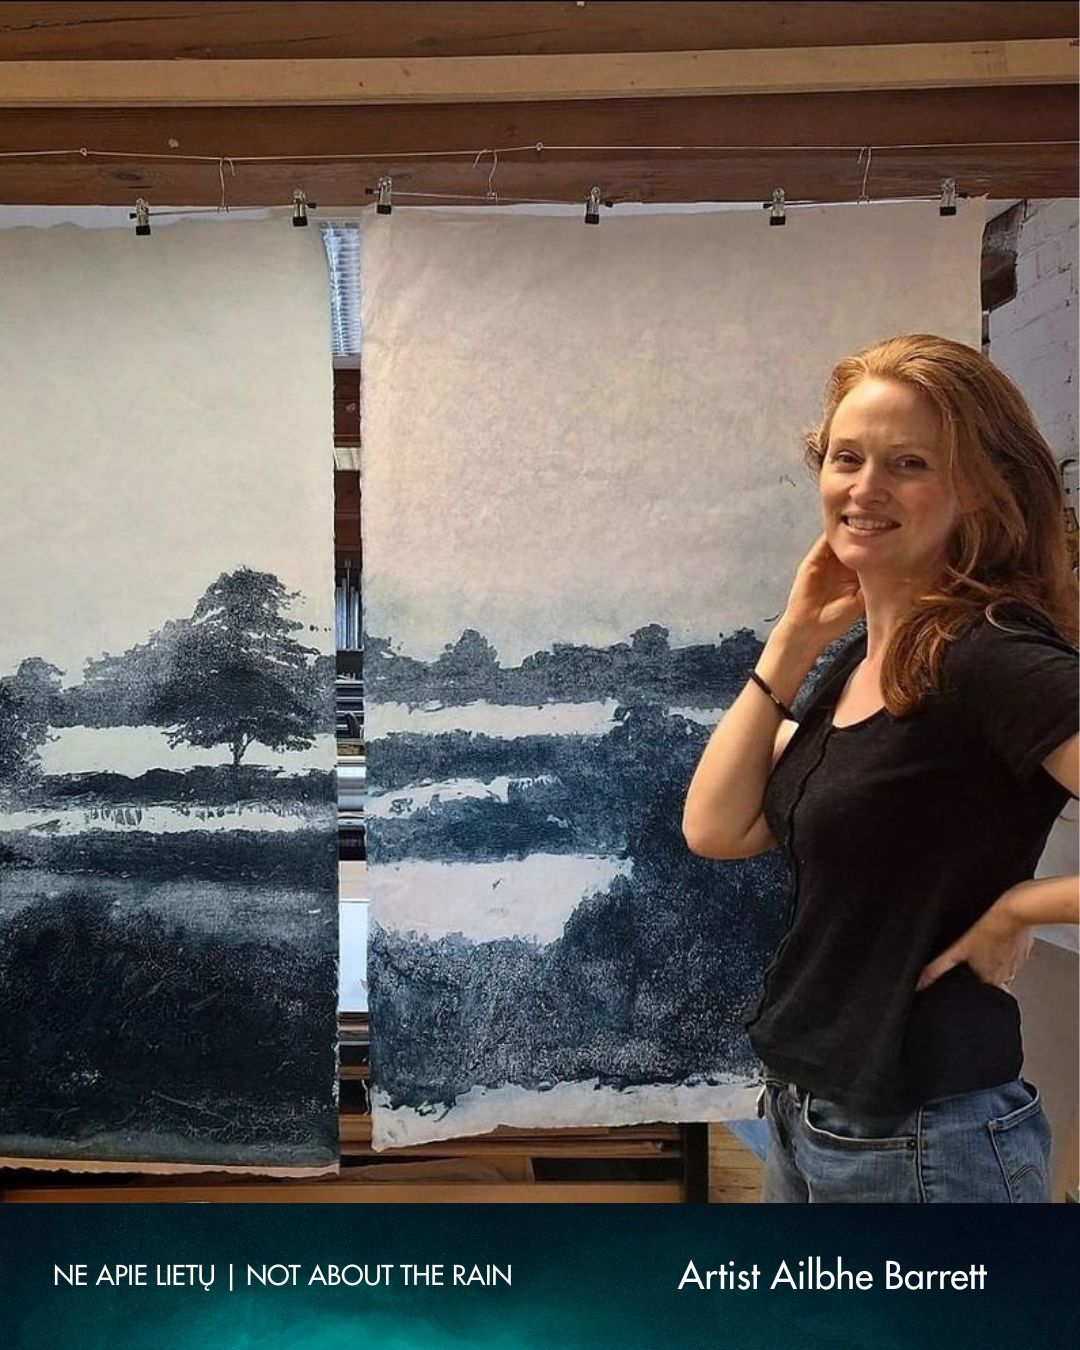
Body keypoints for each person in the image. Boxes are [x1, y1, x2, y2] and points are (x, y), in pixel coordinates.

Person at [683, 334, 1079, 1203]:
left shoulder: (992, 656)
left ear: (981, 489)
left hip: (928, 1141)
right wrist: (793, 639)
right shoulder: (862, 661)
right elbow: (716, 826)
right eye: (846, 458)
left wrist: (1023, 904)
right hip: (810, 1115)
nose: (865, 488)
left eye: (909, 463)